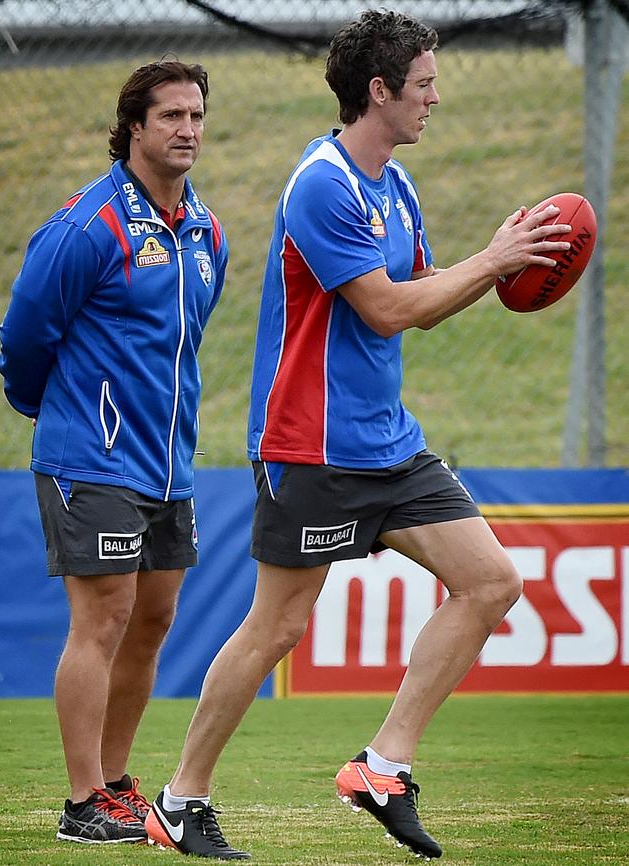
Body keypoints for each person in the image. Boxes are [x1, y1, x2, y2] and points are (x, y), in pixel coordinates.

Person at [144, 10, 572, 861]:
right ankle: (179, 801)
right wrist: (490, 264)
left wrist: (502, 263)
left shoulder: (396, 186)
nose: (434, 100)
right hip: (311, 445)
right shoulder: (324, 183)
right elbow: (385, 309)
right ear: (377, 92)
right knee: (277, 628)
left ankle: (382, 766)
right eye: (422, 85)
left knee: (490, 583)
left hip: (388, 443)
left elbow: (425, 303)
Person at [0, 59, 231, 847]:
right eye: (170, 116)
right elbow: (24, 335)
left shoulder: (207, 231)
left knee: (153, 619)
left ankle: (117, 784)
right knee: (103, 617)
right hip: (89, 459)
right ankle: (78, 801)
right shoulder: (88, 224)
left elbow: (186, 343)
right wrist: (56, 414)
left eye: (196, 116)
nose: (187, 130)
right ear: (133, 126)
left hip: (169, 465)